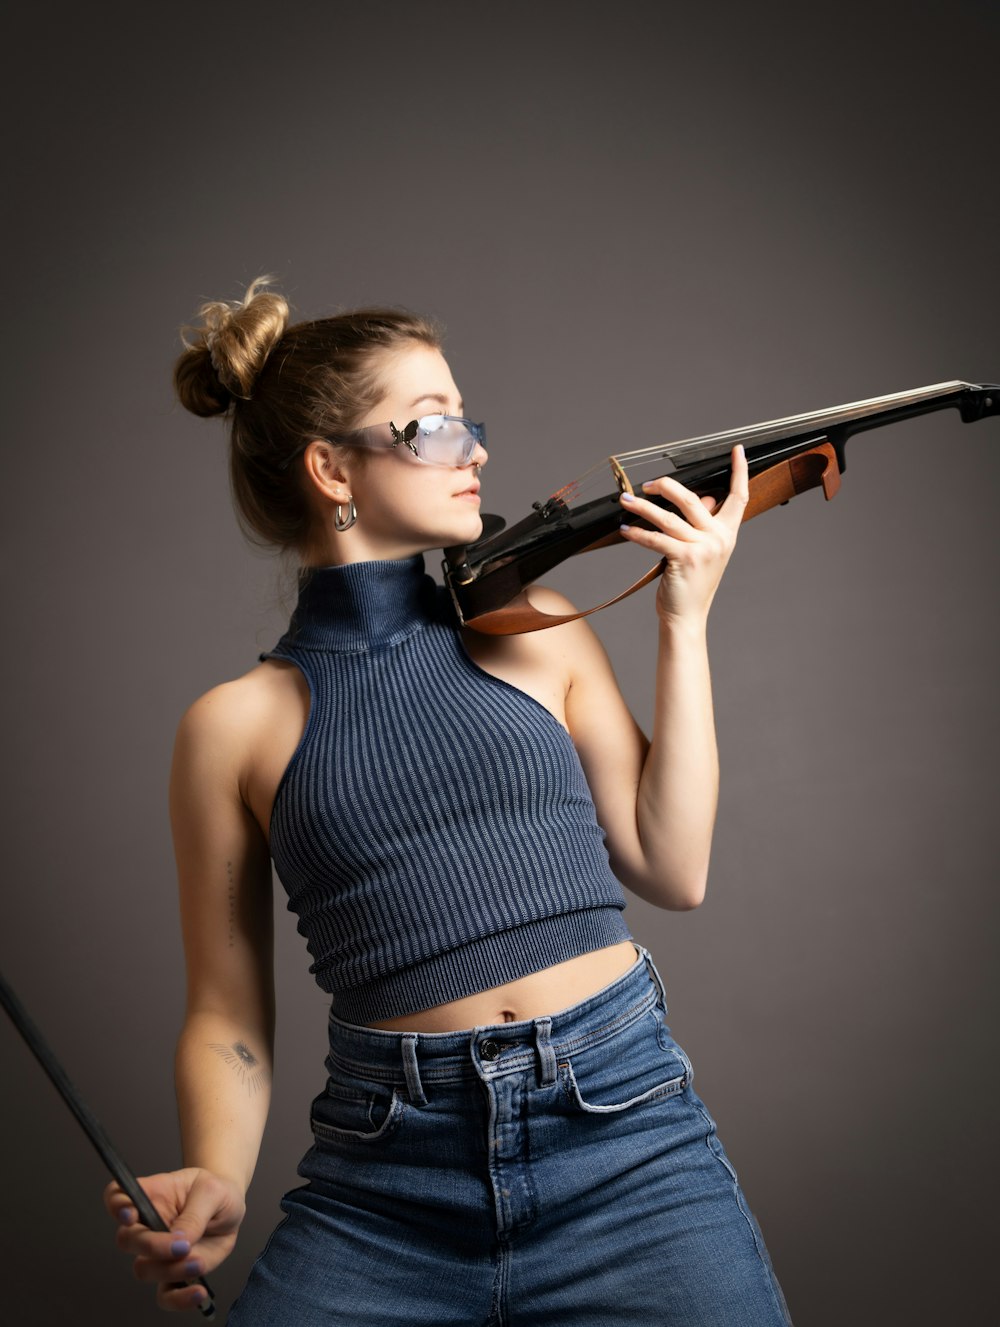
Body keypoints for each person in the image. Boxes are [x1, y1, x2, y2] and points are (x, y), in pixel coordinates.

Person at [105, 277, 791, 1324]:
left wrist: (682, 620)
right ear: (331, 467)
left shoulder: (539, 628)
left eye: (468, 421)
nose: (473, 448)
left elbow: (669, 864)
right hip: (387, 1179)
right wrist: (219, 1176)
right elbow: (226, 1010)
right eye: (431, 427)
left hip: (623, 1134)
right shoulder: (232, 727)